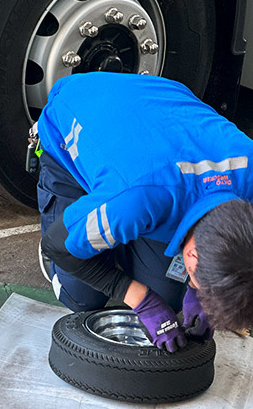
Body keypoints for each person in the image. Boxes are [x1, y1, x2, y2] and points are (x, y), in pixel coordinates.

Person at [35, 72, 253, 353]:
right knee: (81, 298)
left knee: (169, 294)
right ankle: (100, 227)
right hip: (79, 107)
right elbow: (57, 246)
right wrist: (139, 298)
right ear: (192, 255)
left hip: (158, 108)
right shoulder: (135, 198)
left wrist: (204, 292)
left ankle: (117, 234)